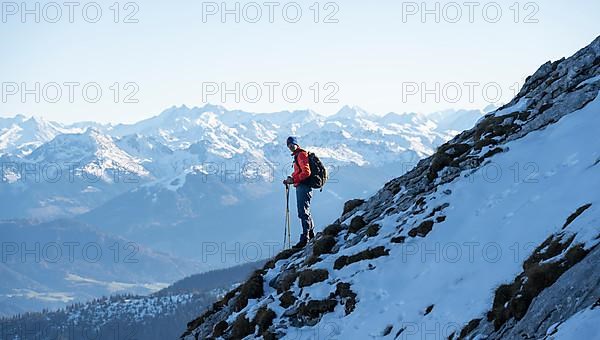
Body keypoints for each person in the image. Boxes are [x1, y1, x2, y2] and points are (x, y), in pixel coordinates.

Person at [283, 136, 315, 248]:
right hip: (302, 185)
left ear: (296, 144)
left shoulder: (301, 155)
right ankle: (311, 235)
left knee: (303, 212)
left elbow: (306, 172)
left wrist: (294, 180)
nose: (290, 147)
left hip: (303, 186)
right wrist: (291, 178)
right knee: (306, 211)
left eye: (292, 144)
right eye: (289, 145)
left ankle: (305, 238)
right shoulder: (298, 155)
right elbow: (300, 172)